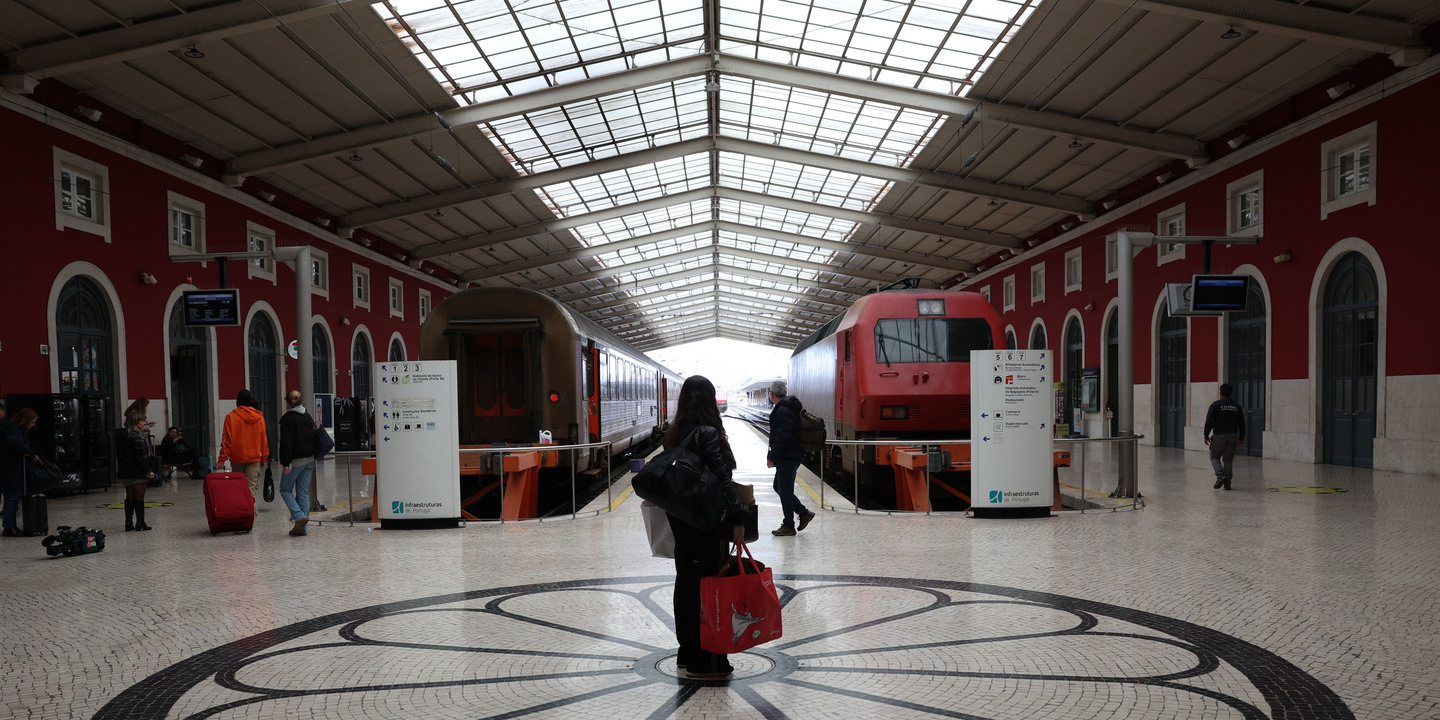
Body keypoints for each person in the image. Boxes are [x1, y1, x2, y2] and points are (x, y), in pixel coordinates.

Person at [663, 375, 746, 680]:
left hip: (681, 520)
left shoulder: (673, 434)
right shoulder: (708, 433)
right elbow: (724, 480)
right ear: (710, 400)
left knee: (686, 582)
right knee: (710, 587)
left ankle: (686, 653)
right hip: (707, 522)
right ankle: (707, 659)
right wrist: (738, 518)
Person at [766, 379, 815, 536]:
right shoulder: (785, 408)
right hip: (789, 455)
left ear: (772, 394)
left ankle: (789, 525)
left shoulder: (783, 410)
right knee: (778, 487)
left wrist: (772, 457)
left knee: (785, 490)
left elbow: (782, 437)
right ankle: (803, 512)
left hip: (788, 456)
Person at [218, 389, 270, 507]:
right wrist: (264, 457)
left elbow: (227, 440)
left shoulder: (230, 417)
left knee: (237, 488)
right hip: (254, 458)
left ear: (238, 401)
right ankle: (250, 515)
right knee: (251, 490)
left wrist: (222, 459)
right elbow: (264, 439)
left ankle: (239, 513)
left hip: (237, 458)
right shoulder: (259, 418)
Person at [278, 390, 317, 537]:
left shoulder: (288, 419)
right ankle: (303, 528)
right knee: (303, 492)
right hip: (310, 460)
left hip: (296, 461)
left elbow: (286, 443)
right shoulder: (307, 416)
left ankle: (299, 516)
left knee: (285, 489)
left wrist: (285, 463)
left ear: (288, 402)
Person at [116, 412, 159, 531]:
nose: (144, 423)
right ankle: (140, 523)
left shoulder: (122, 435)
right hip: (137, 471)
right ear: (135, 422)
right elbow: (141, 457)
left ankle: (128, 523)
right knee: (139, 497)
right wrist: (148, 471)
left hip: (125, 471)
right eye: (142, 421)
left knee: (129, 496)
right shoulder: (137, 437)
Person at [2, 408, 39, 537]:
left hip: (14, 469)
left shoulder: (17, 430)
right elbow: (13, 443)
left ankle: (12, 525)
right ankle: (8, 526)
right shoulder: (13, 430)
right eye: (32, 422)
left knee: (14, 497)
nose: (33, 425)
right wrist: (29, 452)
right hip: (10, 469)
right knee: (11, 497)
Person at [1204, 383, 1247, 490]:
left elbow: (1209, 421)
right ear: (1231, 393)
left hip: (1219, 436)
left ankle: (1220, 475)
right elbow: (1242, 423)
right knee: (1228, 460)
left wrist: (1206, 435)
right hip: (1233, 435)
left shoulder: (1215, 405)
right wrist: (1241, 437)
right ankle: (1227, 484)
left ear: (1220, 392)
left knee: (1214, 457)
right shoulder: (1236, 406)